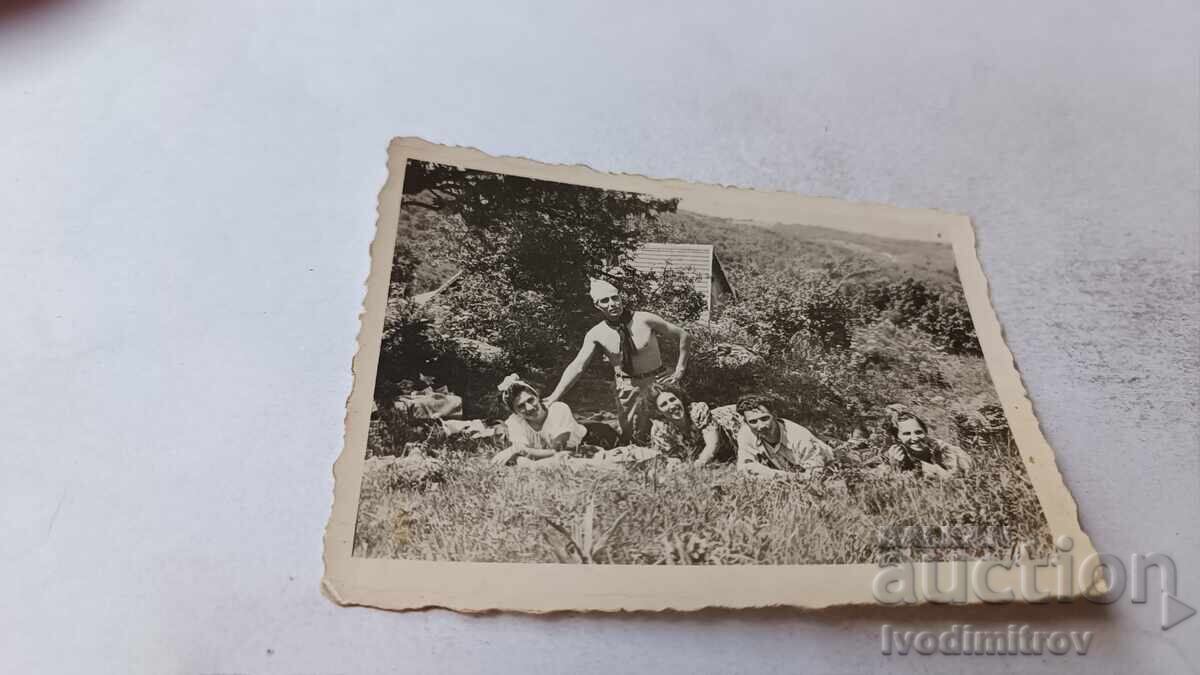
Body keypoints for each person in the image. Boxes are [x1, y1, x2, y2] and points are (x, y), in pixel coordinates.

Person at [544, 278, 691, 445]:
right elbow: (578, 366)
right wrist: (554, 396)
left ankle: (684, 453)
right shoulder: (596, 333)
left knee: (674, 425)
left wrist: (679, 370)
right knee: (633, 435)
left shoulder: (644, 319)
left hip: (658, 383)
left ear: (621, 298)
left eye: (615, 298)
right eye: (605, 301)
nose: (612, 304)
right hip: (629, 388)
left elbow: (684, 336)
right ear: (597, 306)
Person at [490, 374, 587, 466]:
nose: (529, 408)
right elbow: (522, 450)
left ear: (537, 396)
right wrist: (519, 452)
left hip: (582, 447)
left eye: (530, 400)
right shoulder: (514, 421)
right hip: (553, 458)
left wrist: (518, 451)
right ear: (515, 412)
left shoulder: (558, 409)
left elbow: (556, 451)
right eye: (521, 406)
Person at [734, 395, 835, 478]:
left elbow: (816, 475)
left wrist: (773, 475)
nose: (761, 426)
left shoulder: (799, 436)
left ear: (775, 415)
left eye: (765, 418)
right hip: (791, 470)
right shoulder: (746, 433)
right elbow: (744, 469)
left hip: (831, 461)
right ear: (746, 423)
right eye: (753, 421)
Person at [648, 383, 738, 466]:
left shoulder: (697, 411)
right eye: (664, 404)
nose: (671, 406)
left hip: (736, 425)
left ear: (680, 399)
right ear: (658, 411)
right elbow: (672, 457)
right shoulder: (661, 429)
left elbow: (713, 444)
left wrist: (698, 464)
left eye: (673, 400)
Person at [882, 404, 973, 478]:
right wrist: (896, 466)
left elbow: (953, 476)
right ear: (898, 438)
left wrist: (920, 467)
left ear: (925, 433)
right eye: (907, 434)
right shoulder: (896, 452)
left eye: (918, 432)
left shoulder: (939, 447)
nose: (915, 438)